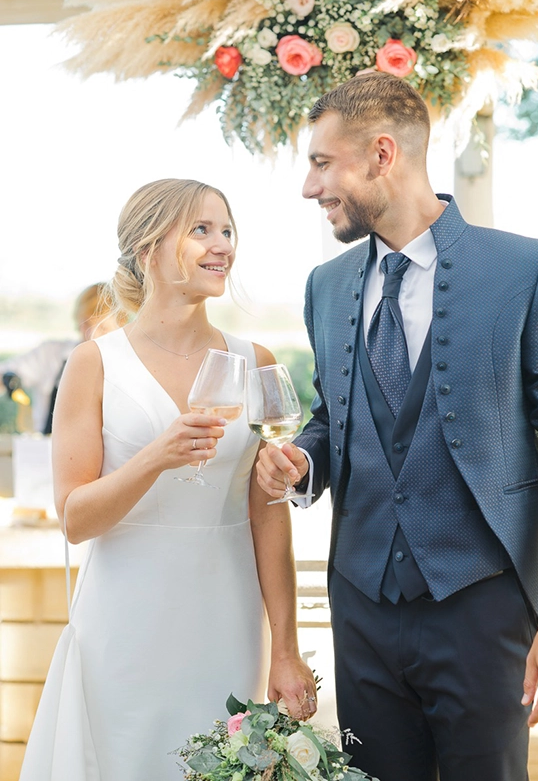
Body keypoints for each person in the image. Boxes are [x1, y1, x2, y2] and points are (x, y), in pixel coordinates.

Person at [256, 72, 538, 781]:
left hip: (482, 607)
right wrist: (304, 461)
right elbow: (334, 417)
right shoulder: (326, 284)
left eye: (321, 163)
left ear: (382, 154)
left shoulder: (526, 269)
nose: (311, 188)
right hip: (361, 606)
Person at [20, 179, 316, 781]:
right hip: (126, 624)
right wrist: (157, 455)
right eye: (201, 230)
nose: (222, 246)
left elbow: (267, 515)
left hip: (228, 622)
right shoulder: (94, 364)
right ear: (149, 247)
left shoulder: (253, 360)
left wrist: (285, 647)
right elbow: (75, 519)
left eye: (227, 230)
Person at [1, 282, 125, 434]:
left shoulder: (128, 367)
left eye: (102, 327)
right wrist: (8, 379)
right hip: (47, 451)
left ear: (121, 325)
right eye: (86, 325)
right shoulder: (50, 354)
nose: (91, 335)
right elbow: (5, 374)